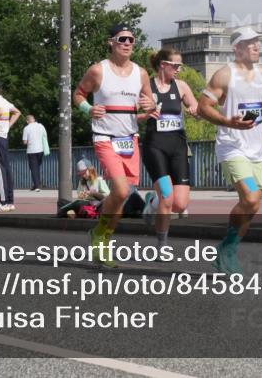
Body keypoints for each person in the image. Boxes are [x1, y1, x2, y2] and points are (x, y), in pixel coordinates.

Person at [197, 26, 262, 274]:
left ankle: (227, 248)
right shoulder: (224, 75)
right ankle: (227, 250)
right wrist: (228, 122)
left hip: (256, 151)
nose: (256, 46)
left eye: (257, 42)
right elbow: (203, 107)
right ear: (237, 48)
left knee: (254, 204)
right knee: (250, 197)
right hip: (232, 147)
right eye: (250, 42)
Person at [74, 23, 157, 267]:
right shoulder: (98, 70)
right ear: (111, 42)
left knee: (123, 195)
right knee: (120, 191)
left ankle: (102, 237)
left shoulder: (141, 73)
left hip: (129, 140)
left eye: (131, 39)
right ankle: (100, 233)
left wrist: (150, 105)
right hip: (104, 137)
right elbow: (78, 94)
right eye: (122, 39)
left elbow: (150, 101)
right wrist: (88, 109)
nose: (128, 43)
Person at [142, 48, 199, 246]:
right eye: (175, 65)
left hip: (178, 147)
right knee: (167, 196)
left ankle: (152, 202)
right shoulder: (147, 86)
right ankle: (162, 245)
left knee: (180, 204)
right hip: (154, 146)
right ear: (163, 65)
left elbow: (197, 108)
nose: (178, 69)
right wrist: (145, 111)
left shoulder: (181, 86)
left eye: (180, 66)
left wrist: (195, 111)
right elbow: (135, 112)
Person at [0, 79, 21, 212]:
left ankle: (3, 202)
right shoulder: (5, 101)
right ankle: (10, 202)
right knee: (6, 169)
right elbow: (17, 112)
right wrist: (8, 126)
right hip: (4, 138)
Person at [22, 115, 48, 191]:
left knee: (34, 168)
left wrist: (29, 142)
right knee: (37, 167)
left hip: (31, 151)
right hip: (41, 150)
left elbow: (25, 142)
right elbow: (45, 136)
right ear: (34, 119)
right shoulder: (41, 126)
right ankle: (37, 184)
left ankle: (37, 186)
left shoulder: (26, 128)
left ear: (27, 121)